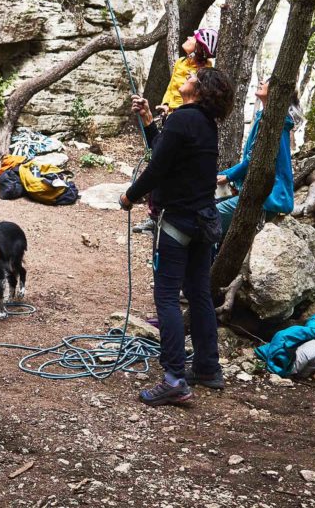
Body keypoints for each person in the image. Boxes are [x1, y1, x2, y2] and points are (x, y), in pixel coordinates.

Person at [119, 67, 234, 406]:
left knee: (167, 297)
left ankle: (173, 379)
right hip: (201, 221)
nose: (186, 78)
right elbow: (165, 152)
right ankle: (207, 367)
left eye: (193, 77)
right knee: (198, 293)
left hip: (178, 222)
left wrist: (130, 195)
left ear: (199, 88)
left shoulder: (185, 119)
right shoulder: (203, 123)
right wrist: (149, 121)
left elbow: (157, 168)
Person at [133, 28, 219, 235]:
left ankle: (159, 216)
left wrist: (175, 111)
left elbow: (193, 97)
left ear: (198, 47)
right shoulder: (182, 62)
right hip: (171, 115)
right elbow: (173, 88)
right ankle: (154, 214)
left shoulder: (203, 73)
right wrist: (165, 105)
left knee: (164, 165)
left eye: (193, 37)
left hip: (183, 120)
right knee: (159, 157)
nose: (188, 37)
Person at [216, 79, 302, 235]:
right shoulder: (266, 119)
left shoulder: (275, 124)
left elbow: (254, 158)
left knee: (213, 216)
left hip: (268, 198)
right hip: (264, 196)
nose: (262, 82)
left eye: (269, 81)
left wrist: (228, 176)